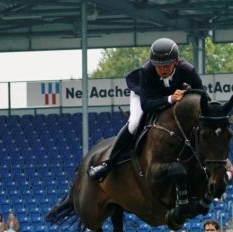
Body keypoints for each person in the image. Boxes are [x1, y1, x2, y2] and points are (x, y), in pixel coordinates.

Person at [87, 38, 204, 181]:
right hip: (145, 95)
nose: (162, 70)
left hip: (172, 94)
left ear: (176, 62)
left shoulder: (188, 70)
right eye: (158, 66)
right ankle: (108, 163)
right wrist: (170, 99)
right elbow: (147, 105)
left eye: (167, 65)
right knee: (135, 123)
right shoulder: (147, 70)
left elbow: (202, 95)